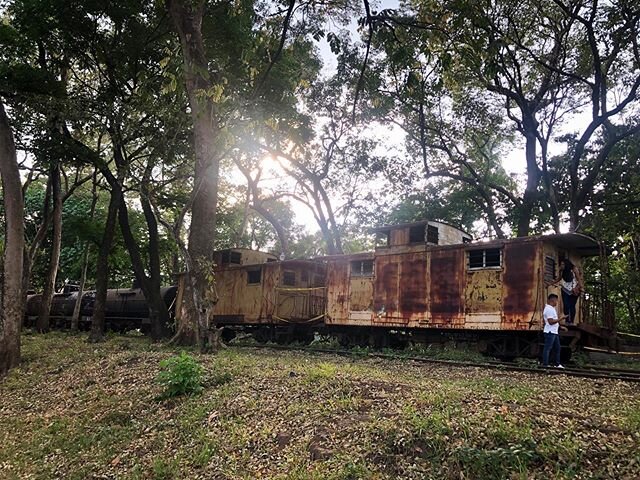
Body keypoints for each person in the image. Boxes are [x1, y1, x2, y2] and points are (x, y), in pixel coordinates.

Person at [555, 259, 583, 325]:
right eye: (561, 264)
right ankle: (567, 321)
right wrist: (551, 283)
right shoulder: (562, 271)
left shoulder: (574, 269)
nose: (561, 265)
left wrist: (576, 288)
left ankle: (571, 321)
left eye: (563, 264)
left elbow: (579, 280)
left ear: (566, 264)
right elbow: (559, 278)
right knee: (566, 305)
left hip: (574, 290)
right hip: (565, 289)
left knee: (572, 306)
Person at [543, 293, 567, 368]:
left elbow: (554, 321)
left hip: (554, 332)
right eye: (556, 300)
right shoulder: (548, 309)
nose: (557, 302)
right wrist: (561, 318)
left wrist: (560, 327)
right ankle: (545, 364)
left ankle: (557, 364)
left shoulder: (552, 309)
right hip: (550, 332)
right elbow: (550, 322)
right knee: (548, 348)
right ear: (552, 300)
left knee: (557, 348)